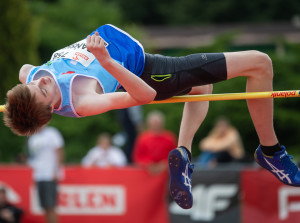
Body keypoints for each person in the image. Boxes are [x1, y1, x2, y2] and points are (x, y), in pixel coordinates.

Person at [3, 24, 300, 209]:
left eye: (32, 84)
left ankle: (183, 154)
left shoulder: (28, 74)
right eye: (41, 92)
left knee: (201, 88)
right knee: (260, 64)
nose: (41, 81)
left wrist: (25, 92)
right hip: (149, 73)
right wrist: (106, 61)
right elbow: (145, 96)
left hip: (137, 66)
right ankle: (271, 151)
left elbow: (28, 73)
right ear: (50, 109)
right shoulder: (84, 100)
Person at [27, 126, 64, 223]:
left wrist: (56, 171)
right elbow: (34, 157)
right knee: (45, 206)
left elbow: (59, 152)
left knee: (50, 206)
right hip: (39, 175)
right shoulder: (33, 137)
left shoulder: (52, 133)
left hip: (49, 174)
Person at [133, 110, 177, 174]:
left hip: (167, 172)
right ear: (149, 123)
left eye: (157, 123)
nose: (156, 125)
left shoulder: (169, 138)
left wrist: (165, 164)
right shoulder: (142, 138)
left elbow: (175, 156)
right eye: (154, 123)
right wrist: (148, 164)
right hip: (146, 172)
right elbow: (137, 157)